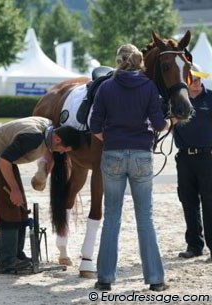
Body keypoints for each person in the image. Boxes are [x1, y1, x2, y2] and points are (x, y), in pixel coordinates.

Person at [90, 44, 177, 291]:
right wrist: (172, 119)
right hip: (141, 155)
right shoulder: (148, 87)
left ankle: (105, 278)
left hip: (113, 154)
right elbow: (159, 125)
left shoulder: (105, 87)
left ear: (117, 61)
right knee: (145, 218)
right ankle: (156, 280)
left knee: (112, 218)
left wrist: (111, 141)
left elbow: (95, 126)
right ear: (140, 62)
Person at [0, 116, 82, 274]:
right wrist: (14, 189)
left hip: (2, 159)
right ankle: (6, 262)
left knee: (20, 208)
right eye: (63, 149)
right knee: (9, 209)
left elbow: (48, 151)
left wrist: (44, 172)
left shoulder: (49, 130)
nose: (61, 152)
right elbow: (4, 161)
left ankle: (17, 256)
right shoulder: (33, 138)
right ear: (58, 138)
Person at [174, 64, 212, 260]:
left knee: (210, 202)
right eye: (192, 80)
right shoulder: (178, 103)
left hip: (208, 157)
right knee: (188, 201)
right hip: (185, 157)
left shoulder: (211, 97)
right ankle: (194, 245)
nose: (196, 83)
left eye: (198, 79)